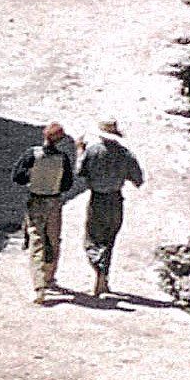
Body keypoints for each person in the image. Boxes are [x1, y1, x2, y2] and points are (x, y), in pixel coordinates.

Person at [75, 119, 146, 296]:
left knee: (92, 240)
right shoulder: (125, 154)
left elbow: (79, 171)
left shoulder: (92, 151)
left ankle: (98, 271)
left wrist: (79, 151)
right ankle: (104, 278)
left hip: (97, 199)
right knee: (109, 239)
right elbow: (138, 180)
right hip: (115, 200)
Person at [11, 122, 74, 305]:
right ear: (60, 140)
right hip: (54, 201)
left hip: (36, 201)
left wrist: (34, 178)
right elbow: (67, 184)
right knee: (53, 239)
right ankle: (49, 276)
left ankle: (39, 287)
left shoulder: (33, 154)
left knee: (36, 240)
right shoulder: (63, 158)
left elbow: (18, 177)